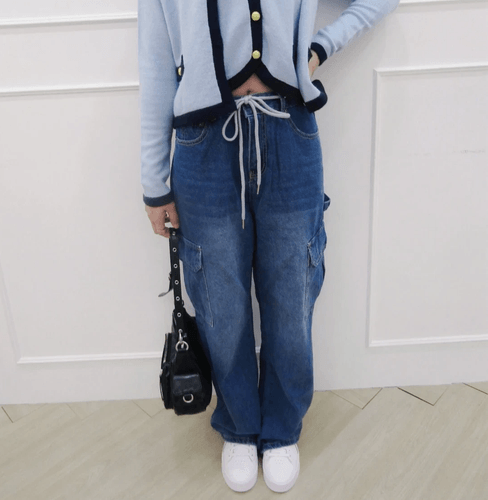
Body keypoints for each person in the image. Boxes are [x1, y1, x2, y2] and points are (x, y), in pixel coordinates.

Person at [138, 0, 400, 492]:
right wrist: (155, 184)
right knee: (219, 303)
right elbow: (155, 63)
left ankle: (281, 428)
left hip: (288, 131)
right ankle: (239, 426)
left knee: (292, 294)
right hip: (202, 146)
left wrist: (318, 49)